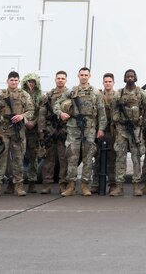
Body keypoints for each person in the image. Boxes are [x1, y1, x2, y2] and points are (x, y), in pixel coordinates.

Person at [57, 67, 106, 197]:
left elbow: (102, 112)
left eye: (86, 75)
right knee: (72, 157)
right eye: (81, 75)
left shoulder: (95, 93)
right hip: (73, 127)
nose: (83, 77)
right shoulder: (71, 91)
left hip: (89, 128)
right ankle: (71, 185)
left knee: (88, 157)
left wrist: (101, 129)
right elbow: (57, 104)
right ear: (78, 76)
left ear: (89, 76)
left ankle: (85, 185)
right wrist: (61, 113)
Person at [0, 70, 35, 196]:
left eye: (15, 80)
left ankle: (18, 186)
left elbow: (31, 110)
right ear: (7, 81)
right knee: (0, 159)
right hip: (2, 132)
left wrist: (22, 117)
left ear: (18, 82)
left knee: (18, 160)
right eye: (11, 80)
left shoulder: (24, 95)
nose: (13, 82)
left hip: (18, 132)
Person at [112, 69, 146, 196]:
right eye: (127, 76)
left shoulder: (142, 93)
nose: (130, 78)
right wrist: (118, 120)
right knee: (120, 158)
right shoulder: (119, 93)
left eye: (132, 76)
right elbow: (114, 110)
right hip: (122, 129)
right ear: (125, 78)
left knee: (136, 158)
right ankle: (119, 186)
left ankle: (136, 186)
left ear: (135, 77)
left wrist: (142, 125)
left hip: (136, 130)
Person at [41, 71, 70, 194]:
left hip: (64, 130)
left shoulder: (70, 94)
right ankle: (47, 184)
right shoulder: (48, 95)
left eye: (63, 78)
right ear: (55, 79)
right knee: (49, 159)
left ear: (66, 80)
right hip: (51, 130)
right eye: (58, 78)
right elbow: (42, 114)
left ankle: (63, 184)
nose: (60, 80)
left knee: (64, 159)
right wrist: (42, 131)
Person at [92, 73, 118, 194]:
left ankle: (112, 184)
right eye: (106, 82)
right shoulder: (98, 95)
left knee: (112, 158)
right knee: (97, 158)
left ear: (113, 83)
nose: (108, 83)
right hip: (99, 131)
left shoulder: (117, 95)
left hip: (112, 131)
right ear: (103, 83)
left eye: (110, 81)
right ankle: (96, 183)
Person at [21, 73, 44, 193]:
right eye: (29, 81)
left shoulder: (40, 96)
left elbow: (41, 112)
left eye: (33, 82)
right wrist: (25, 122)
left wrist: (34, 122)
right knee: (18, 155)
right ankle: (15, 182)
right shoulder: (20, 95)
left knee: (34, 156)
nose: (31, 83)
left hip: (34, 130)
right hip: (22, 128)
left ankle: (32, 181)